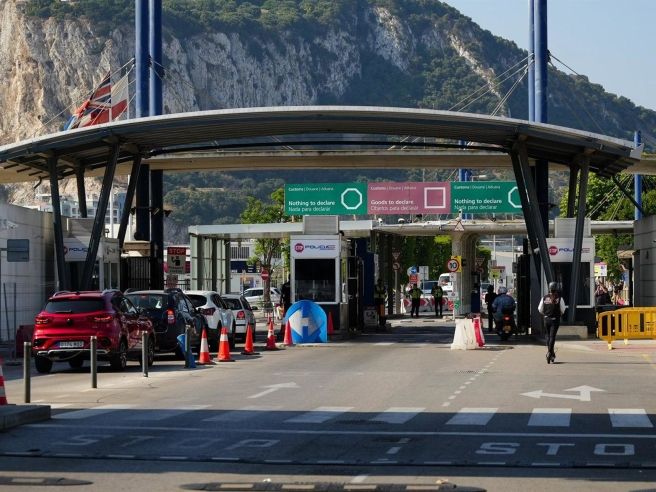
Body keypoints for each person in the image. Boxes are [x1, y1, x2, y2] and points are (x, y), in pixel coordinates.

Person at [538, 281, 566, 364]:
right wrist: (558, 314)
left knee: (547, 336)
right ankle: (550, 352)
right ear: (556, 289)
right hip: (555, 320)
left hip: (546, 319)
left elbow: (540, 309)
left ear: (549, 288)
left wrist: (546, 314)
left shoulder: (544, 298)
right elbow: (563, 310)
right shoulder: (559, 298)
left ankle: (551, 353)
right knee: (552, 337)